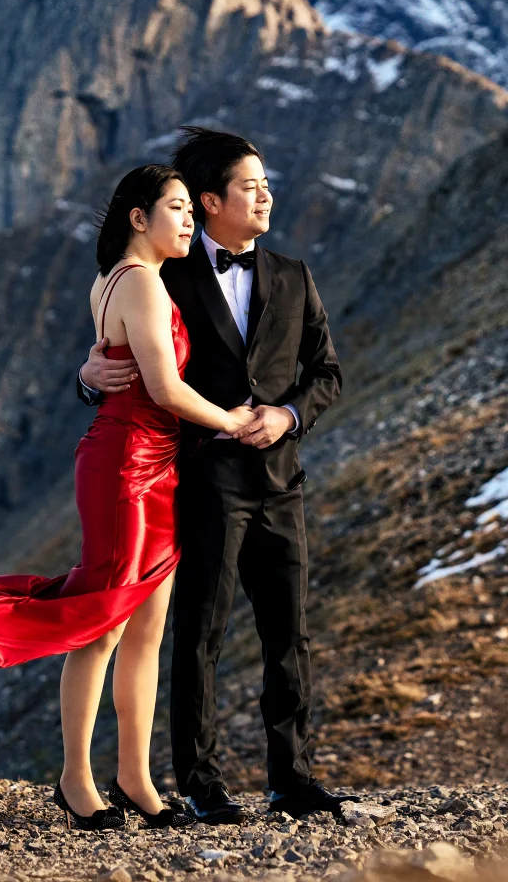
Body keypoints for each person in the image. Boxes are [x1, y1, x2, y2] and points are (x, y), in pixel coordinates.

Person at [0, 166, 255, 830]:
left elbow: (112, 367)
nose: (190, 219)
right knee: (102, 622)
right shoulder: (138, 285)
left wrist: (90, 372)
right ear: (139, 217)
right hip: (129, 466)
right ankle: (76, 781)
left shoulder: (117, 281)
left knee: (145, 628)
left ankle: (135, 778)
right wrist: (234, 421)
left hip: (149, 463)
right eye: (178, 208)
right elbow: (161, 389)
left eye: (192, 209)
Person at [78, 128, 347, 824]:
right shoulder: (167, 275)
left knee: (288, 635)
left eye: (266, 183)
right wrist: (86, 375)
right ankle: (200, 783)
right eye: (250, 185)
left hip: (281, 481)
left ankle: (293, 778)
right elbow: (123, 352)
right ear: (210, 199)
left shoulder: (293, 275)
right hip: (201, 483)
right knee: (199, 636)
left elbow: (327, 374)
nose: (265, 194)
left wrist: (287, 416)